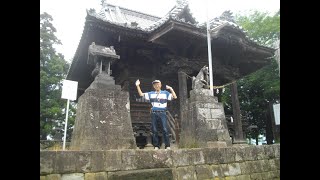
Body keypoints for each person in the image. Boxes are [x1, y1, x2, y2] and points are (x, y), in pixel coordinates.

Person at [135, 79, 177, 150]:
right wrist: (137, 86)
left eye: (158, 84)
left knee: (165, 129)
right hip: (154, 113)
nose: (156, 85)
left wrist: (171, 89)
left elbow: (175, 97)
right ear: (154, 86)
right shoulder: (151, 93)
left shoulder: (165, 93)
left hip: (162, 112)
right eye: (155, 85)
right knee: (154, 130)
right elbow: (141, 94)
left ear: (160, 85)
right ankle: (156, 146)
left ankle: (167, 146)